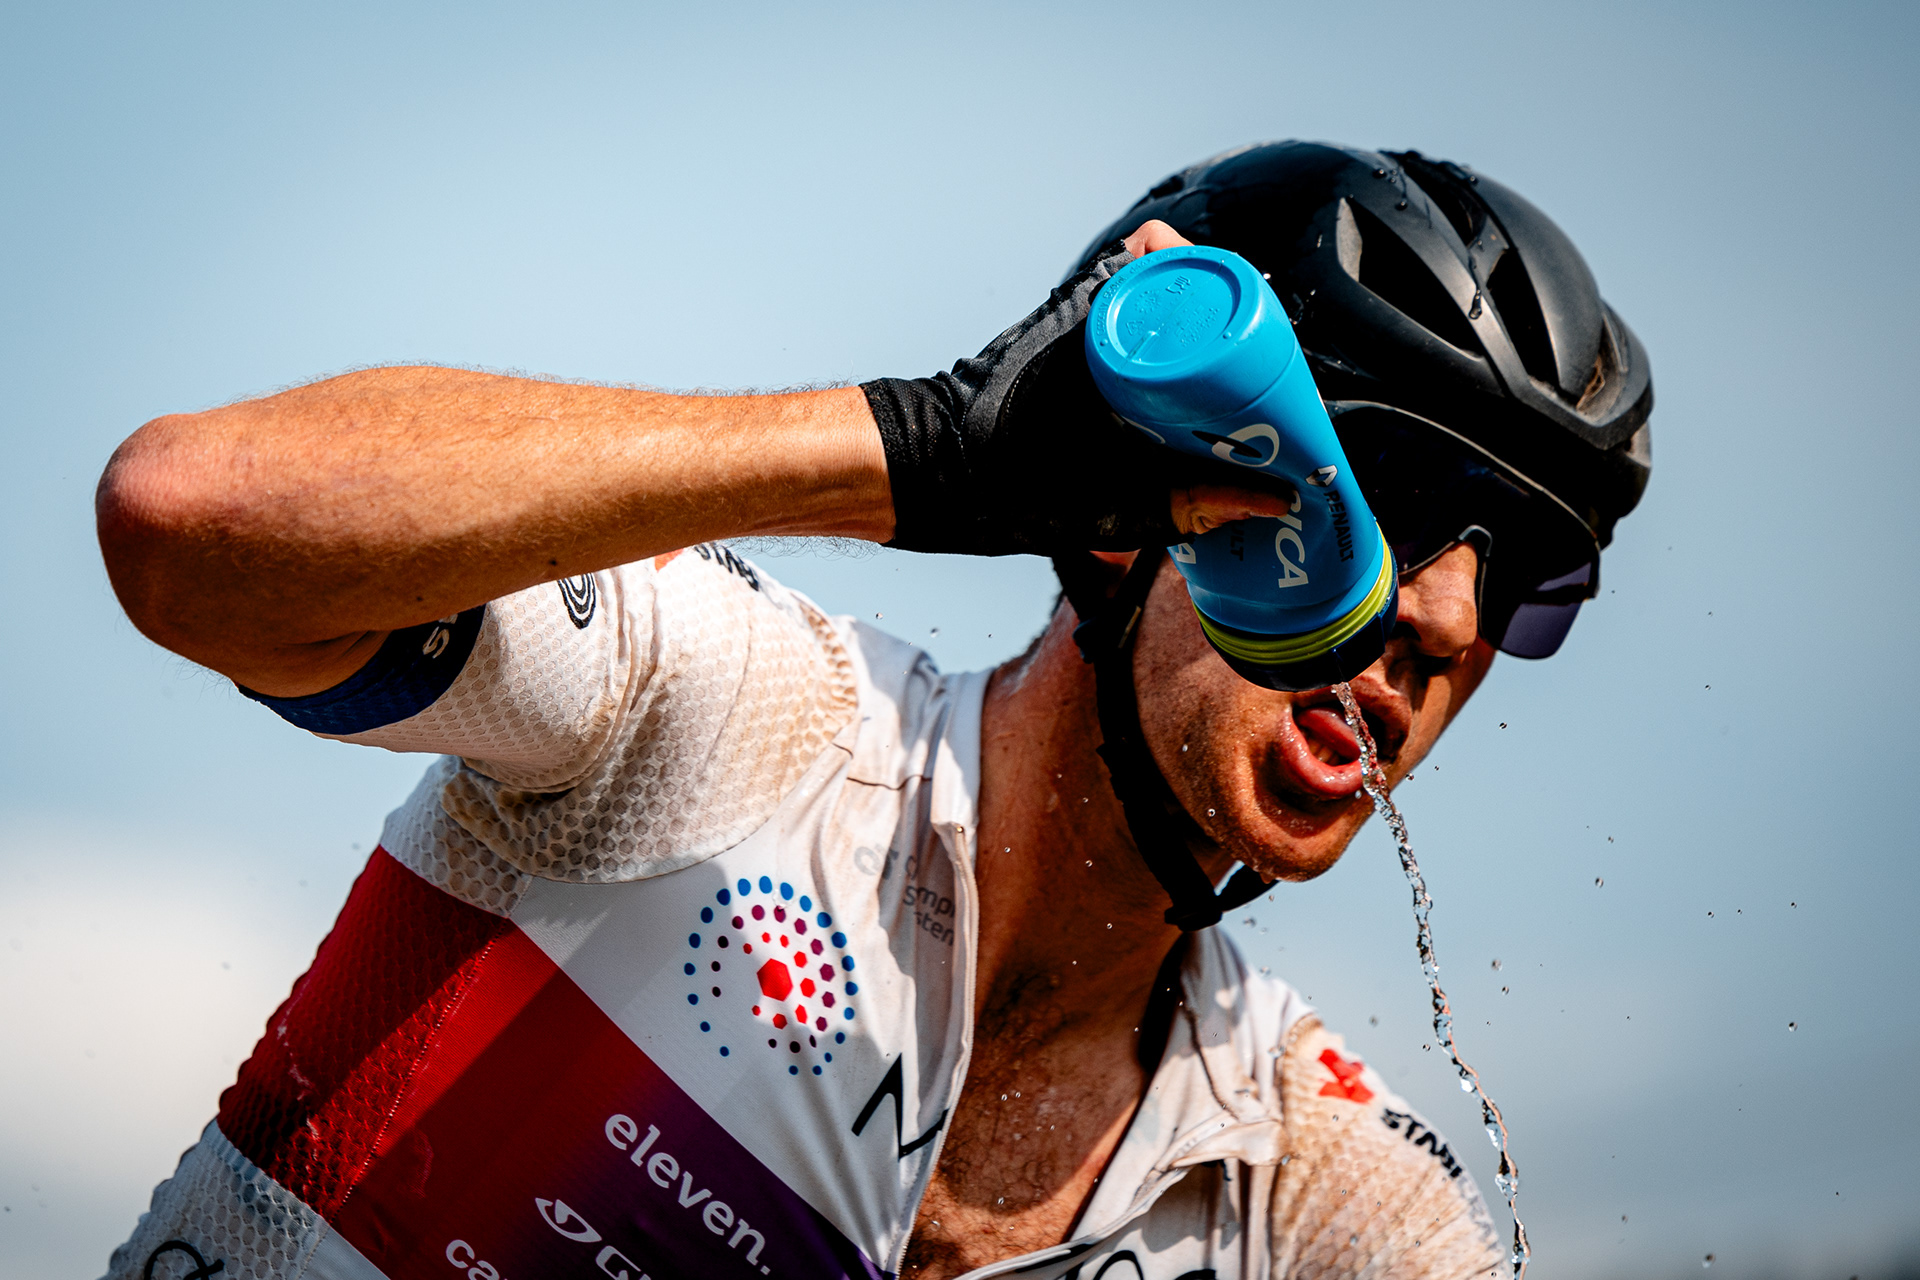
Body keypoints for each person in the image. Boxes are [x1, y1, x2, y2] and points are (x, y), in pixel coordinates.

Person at [94, 141, 1651, 1280]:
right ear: (1128, 513)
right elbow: (187, 522)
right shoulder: (723, 716)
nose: (1449, 619)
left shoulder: (1308, 1193)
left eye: (1529, 572)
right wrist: (926, 451)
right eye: (1392, 494)